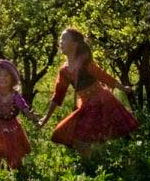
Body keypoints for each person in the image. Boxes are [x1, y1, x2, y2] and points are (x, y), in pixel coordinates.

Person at [46, 27, 137, 156]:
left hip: (101, 101)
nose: (60, 42)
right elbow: (58, 95)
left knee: (96, 136)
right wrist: (46, 117)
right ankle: (93, 164)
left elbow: (103, 76)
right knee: (72, 134)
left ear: (75, 44)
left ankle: (100, 164)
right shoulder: (64, 70)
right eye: (60, 39)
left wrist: (123, 88)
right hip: (85, 104)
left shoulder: (84, 62)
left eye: (64, 39)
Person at [0, 58, 41, 171]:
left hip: (12, 125)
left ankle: (15, 166)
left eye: (6, 75)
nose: (2, 78)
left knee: (14, 145)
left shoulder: (15, 95)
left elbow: (23, 107)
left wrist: (30, 115)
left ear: (12, 78)